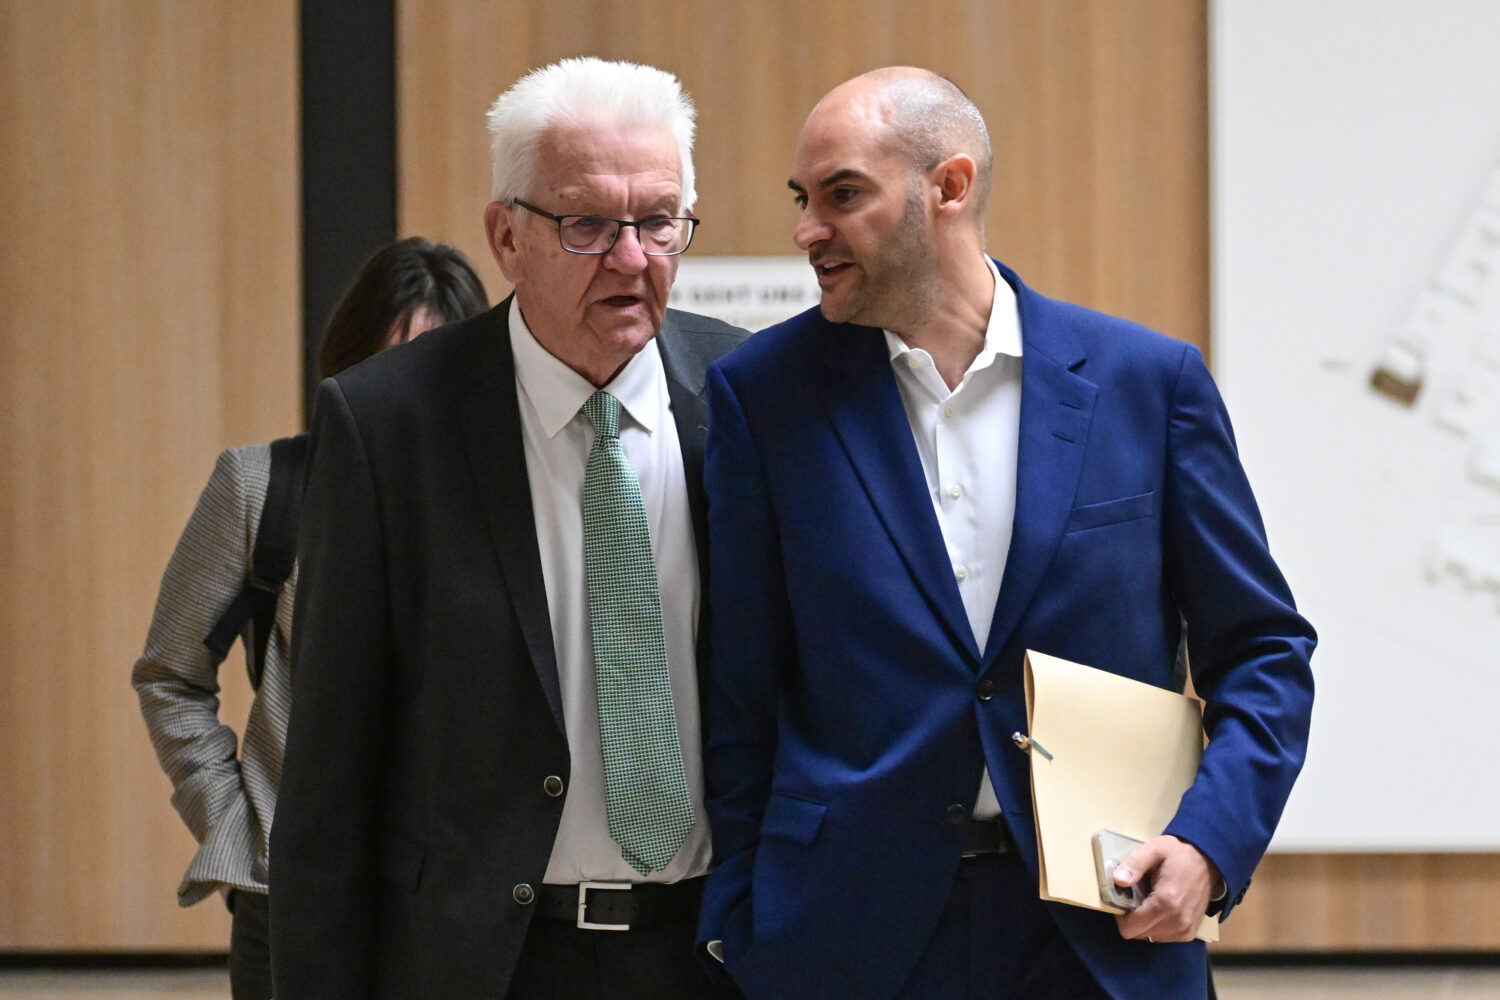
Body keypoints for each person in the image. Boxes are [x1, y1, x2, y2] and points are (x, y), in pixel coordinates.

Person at [696, 67, 1316, 1000]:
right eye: (803, 199)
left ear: (949, 186)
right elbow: (738, 691)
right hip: (847, 938)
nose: (807, 230)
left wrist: (1209, 843)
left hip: (1105, 930)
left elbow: (1264, 650)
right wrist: (742, 924)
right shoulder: (763, 396)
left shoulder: (1148, 385)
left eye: (843, 195)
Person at [269, 57, 748, 1000]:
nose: (631, 259)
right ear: (506, 236)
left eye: (658, 221)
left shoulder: (748, 397)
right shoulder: (389, 423)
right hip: (489, 963)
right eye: (587, 224)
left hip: (712, 955)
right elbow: (328, 776)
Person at [132, 236, 488, 1000]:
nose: (403, 394)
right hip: (292, 895)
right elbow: (170, 675)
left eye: (431, 370)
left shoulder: (500, 508)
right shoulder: (261, 486)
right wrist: (237, 831)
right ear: (342, 364)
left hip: (454, 895)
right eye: (385, 365)